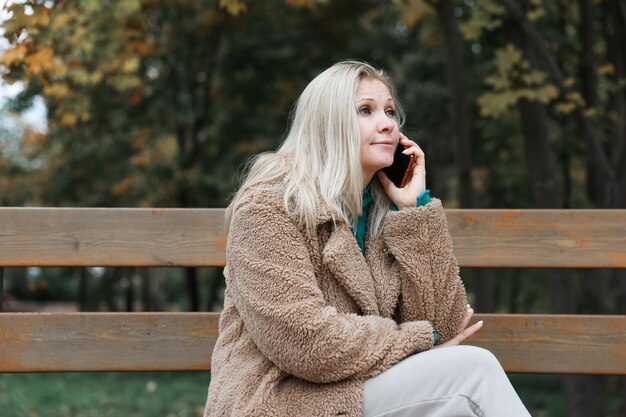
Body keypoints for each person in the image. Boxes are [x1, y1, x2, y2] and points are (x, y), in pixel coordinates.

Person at [203, 61, 531, 417]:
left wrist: (414, 211)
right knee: (474, 373)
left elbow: (447, 326)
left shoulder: (380, 212)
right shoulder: (268, 207)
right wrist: (420, 340)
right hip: (279, 403)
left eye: (390, 111)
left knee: (465, 384)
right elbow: (304, 340)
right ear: (328, 124)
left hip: (356, 393)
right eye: (366, 110)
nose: (388, 123)